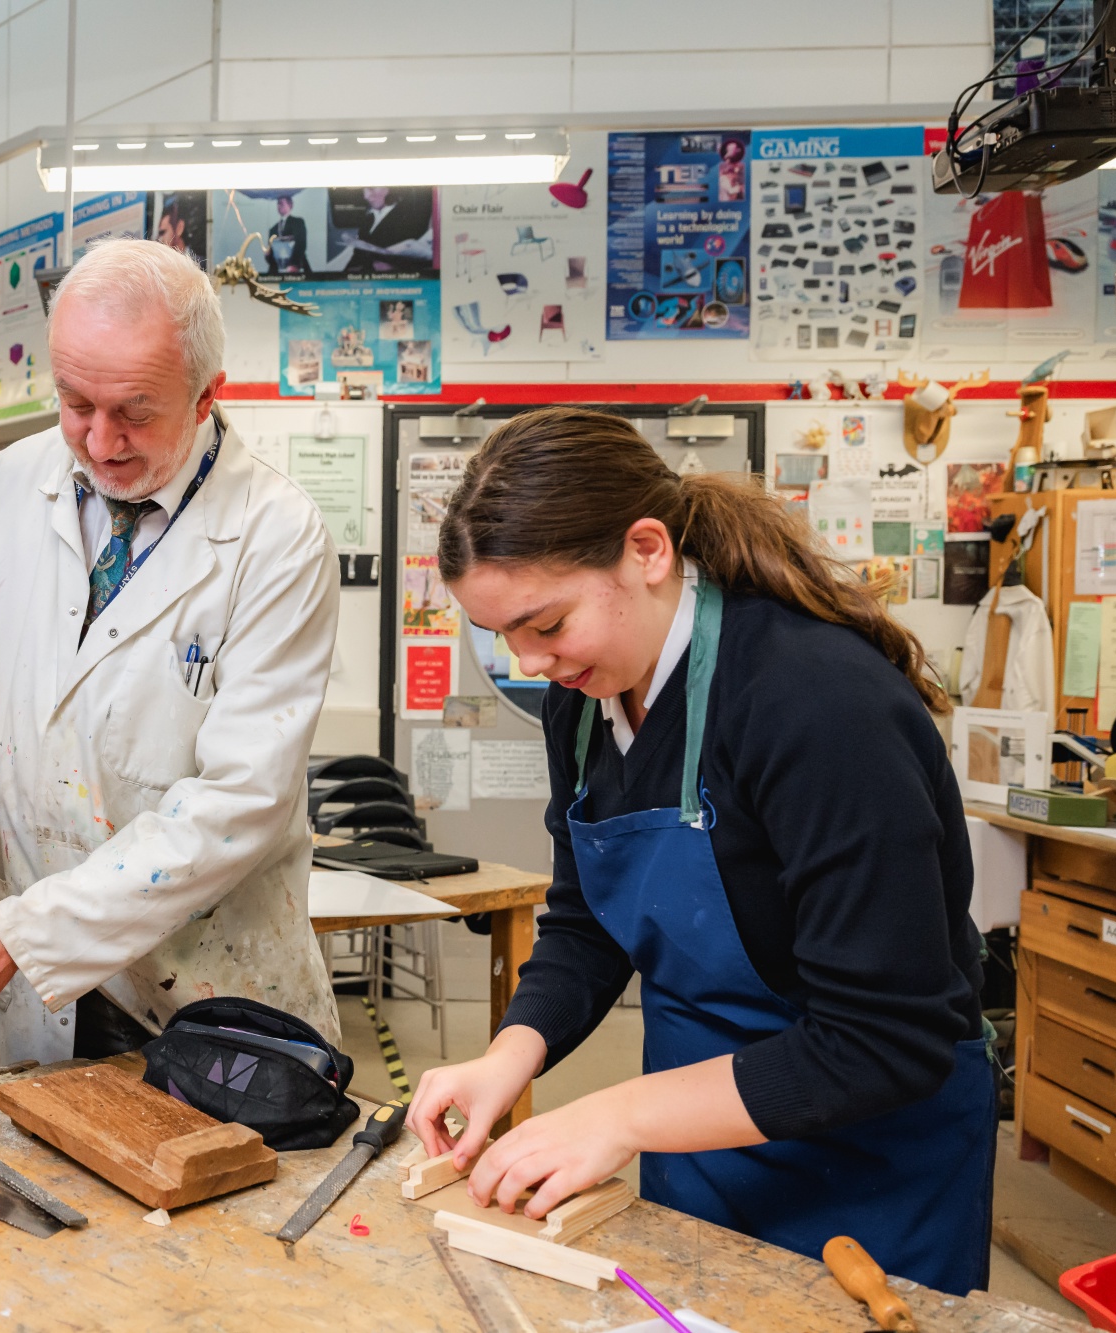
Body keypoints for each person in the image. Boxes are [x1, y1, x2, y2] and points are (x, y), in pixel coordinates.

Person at [405, 408, 993, 1293]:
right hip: (702, 1146)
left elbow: (882, 1040)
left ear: (646, 551)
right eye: (504, 638)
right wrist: (510, 1054)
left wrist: (619, 1113)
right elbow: (587, 922)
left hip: (875, 1165)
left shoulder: (818, 704)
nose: (531, 662)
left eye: (547, 623)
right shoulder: (584, 699)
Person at [0, 237, 342, 1072]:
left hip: (199, 985)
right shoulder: (11, 486)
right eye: (74, 401)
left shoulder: (277, 535)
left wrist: (27, 935)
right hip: (22, 986)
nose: (99, 439)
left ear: (205, 397)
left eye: (136, 410)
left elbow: (240, 802)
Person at [342, 185, 434, 274]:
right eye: (364, 189)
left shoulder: (410, 217)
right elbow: (357, 256)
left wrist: (394, 268)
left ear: (390, 188)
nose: (365, 196)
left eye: (371, 188)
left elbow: (420, 257)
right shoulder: (368, 219)